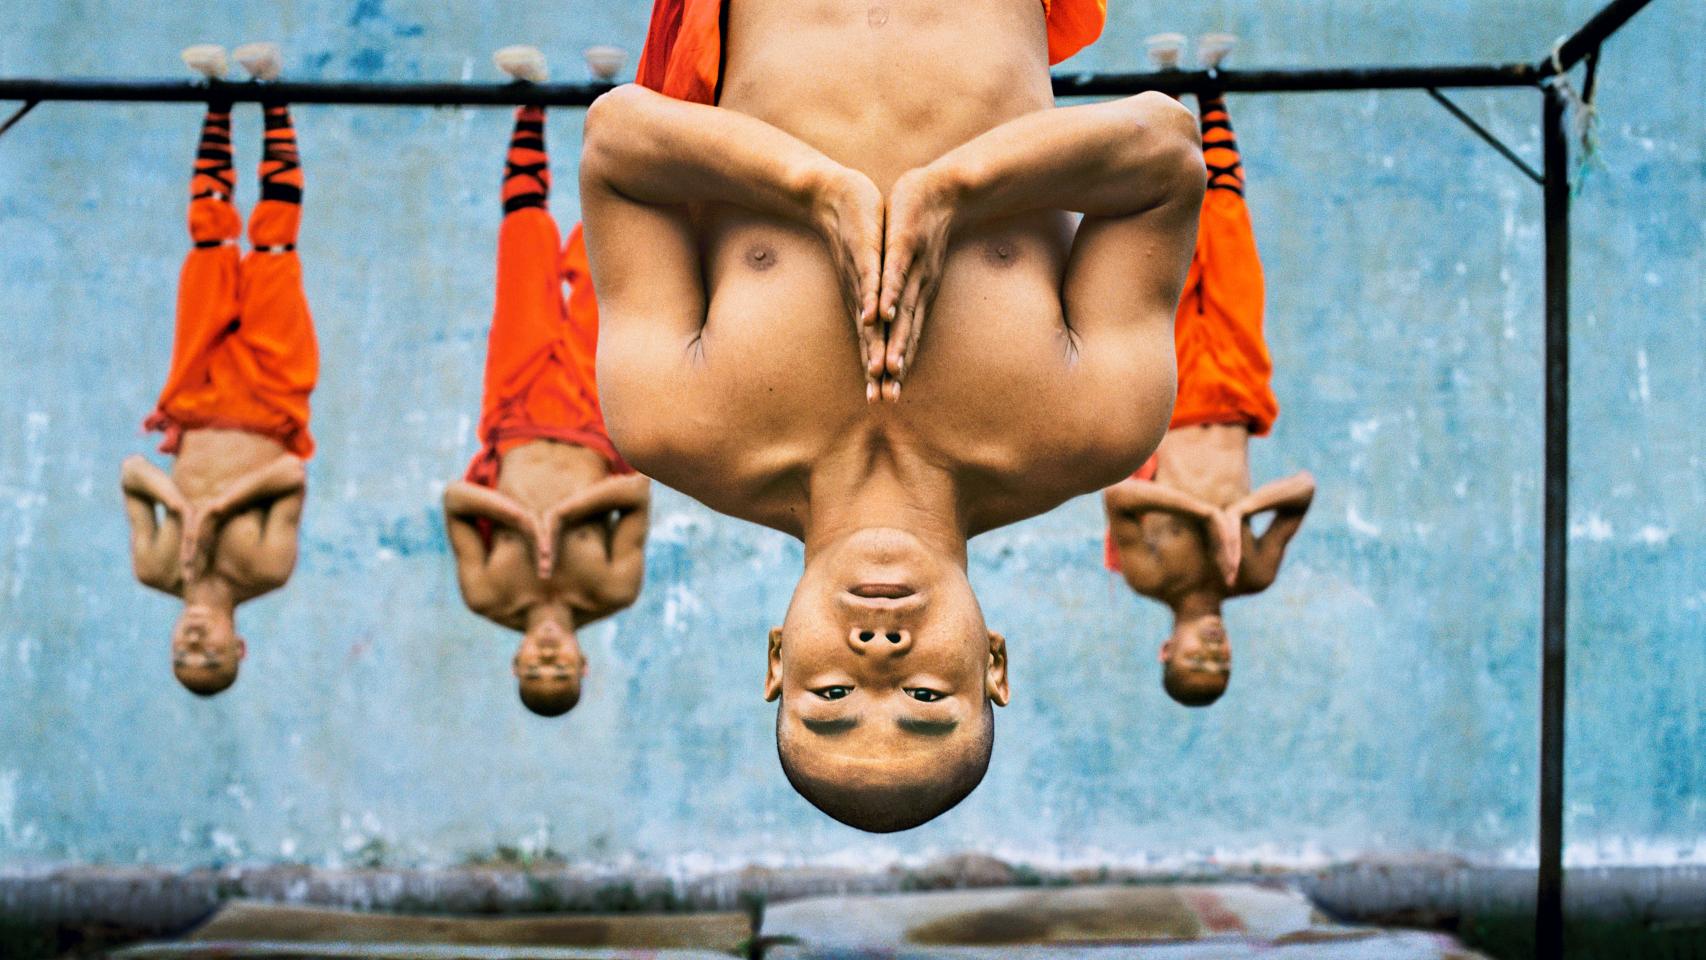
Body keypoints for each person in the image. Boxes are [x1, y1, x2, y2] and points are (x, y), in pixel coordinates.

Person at [581, 0, 1202, 831]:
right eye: (926, 697)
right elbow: (1165, 151)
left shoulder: (671, 422)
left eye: (830, 696)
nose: (878, 656)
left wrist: (815, 190)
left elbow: (617, 141)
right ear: (994, 666)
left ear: (776, 658)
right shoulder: (1096, 425)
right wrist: (955, 190)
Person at [1102, 35, 1315, 709]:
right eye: (1222, 663)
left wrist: (1203, 512)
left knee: (1165, 246)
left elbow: (1119, 499)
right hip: (1236, 389)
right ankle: (1212, 88)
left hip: (1167, 391)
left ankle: (1165, 91)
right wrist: (1240, 515)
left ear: (1168, 649)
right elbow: (1304, 489)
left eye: (1197, 659)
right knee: (1226, 236)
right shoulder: (1250, 573)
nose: (1214, 650)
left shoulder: (1148, 576)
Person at [443, 48, 651, 719]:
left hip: (516, 412)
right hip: (595, 414)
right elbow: (638, 492)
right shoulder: (614, 589)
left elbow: (453, 500)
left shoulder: (487, 595)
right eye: (561, 668)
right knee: (602, 262)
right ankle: (606, 99)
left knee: (524, 257)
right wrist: (561, 518)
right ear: (582, 663)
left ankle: (527, 105)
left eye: (537, 667)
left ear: (518, 660)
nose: (549, 656)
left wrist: (521, 520)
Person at [122, 43, 316, 696]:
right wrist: (215, 512)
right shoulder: (265, 571)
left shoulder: (154, 568)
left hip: (196, 397)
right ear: (239, 646)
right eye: (212, 658)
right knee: (271, 246)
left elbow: (132, 472)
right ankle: (274, 95)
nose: (196, 647)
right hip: (270, 398)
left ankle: (217, 101)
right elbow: (290, 474)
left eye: (184, 658)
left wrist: (181, 505)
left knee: (208, 244)